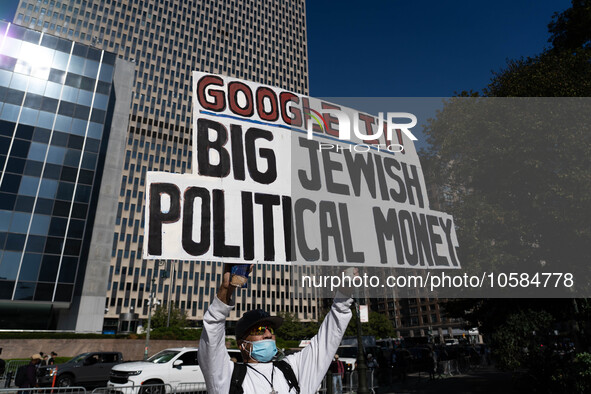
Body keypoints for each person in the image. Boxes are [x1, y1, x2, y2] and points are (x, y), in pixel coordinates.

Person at [198, 264, 354, 394]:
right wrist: (226, 289)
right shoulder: (228, 377)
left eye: (270, 330)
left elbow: (328, 338)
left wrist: (344, 295)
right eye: (259, 330)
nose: (267, 334)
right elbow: (212, 334)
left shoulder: (293, 369)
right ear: (242, 344)